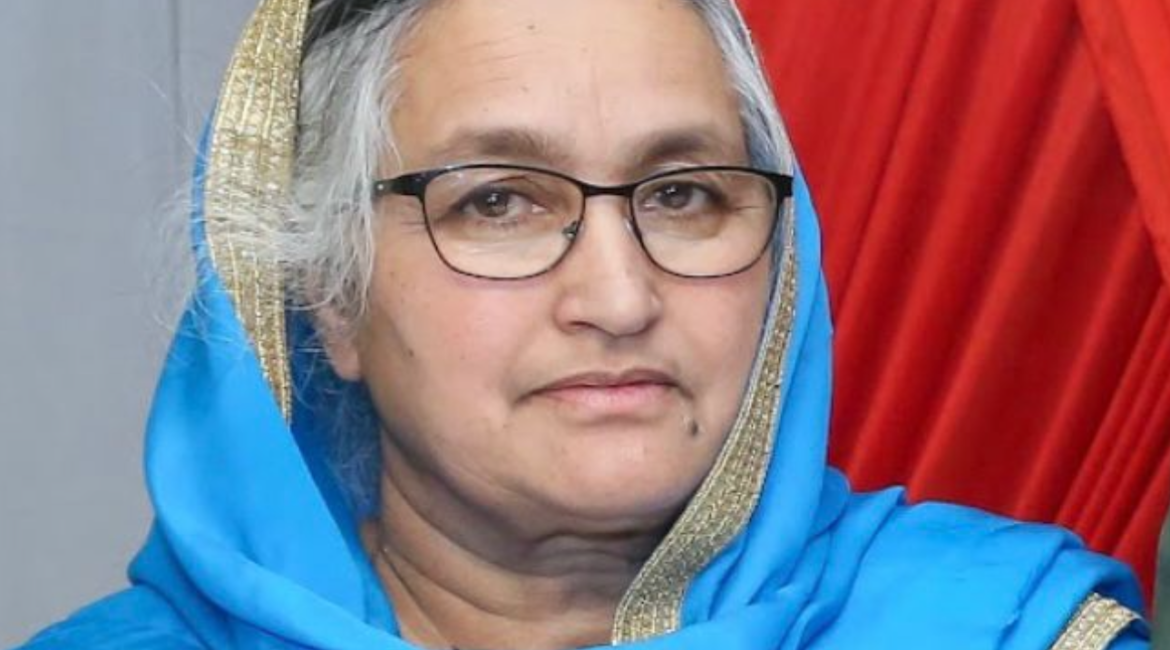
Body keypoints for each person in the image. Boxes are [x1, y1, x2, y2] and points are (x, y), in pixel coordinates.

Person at [15, 0, 1151, 648]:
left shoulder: (998, 630)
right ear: (332, 294)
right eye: (497, 203)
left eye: (684, 193)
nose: (619, 297)